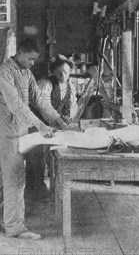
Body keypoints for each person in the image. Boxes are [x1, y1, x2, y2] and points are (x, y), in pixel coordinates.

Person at [0, 38, 67, 240]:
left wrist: (59, 120)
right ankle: (15, 227)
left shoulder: (26, 73)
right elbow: (16, 105)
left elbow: (40, 101)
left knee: (1, 176)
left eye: (35, 60)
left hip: (20, 130)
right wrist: (41, 125)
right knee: (16, 178)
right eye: (30, 59)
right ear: (19, 53)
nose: (33, 63)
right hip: (8, 130)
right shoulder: (4, 72)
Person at [27, 54, 78, 196]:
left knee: (56, 154)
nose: (63, 75)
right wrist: (59, 121)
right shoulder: (45, 83)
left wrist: (69, 115)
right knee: (37, 158)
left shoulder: (70, 87)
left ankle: (55, 187)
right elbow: (44, 107)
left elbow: (73, 106)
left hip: (54, 125)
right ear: (54, 72)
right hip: (36, 124)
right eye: (60, 72)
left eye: (66, 72)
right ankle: (35, 191)